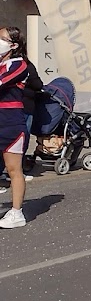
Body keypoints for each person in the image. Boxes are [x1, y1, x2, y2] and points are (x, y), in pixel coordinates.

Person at [0, 26, 30, 229]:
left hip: (11, 122)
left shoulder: (19, 65)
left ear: (14, 45)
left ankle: (17, 212)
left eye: (1, 38)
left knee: (13, 169)